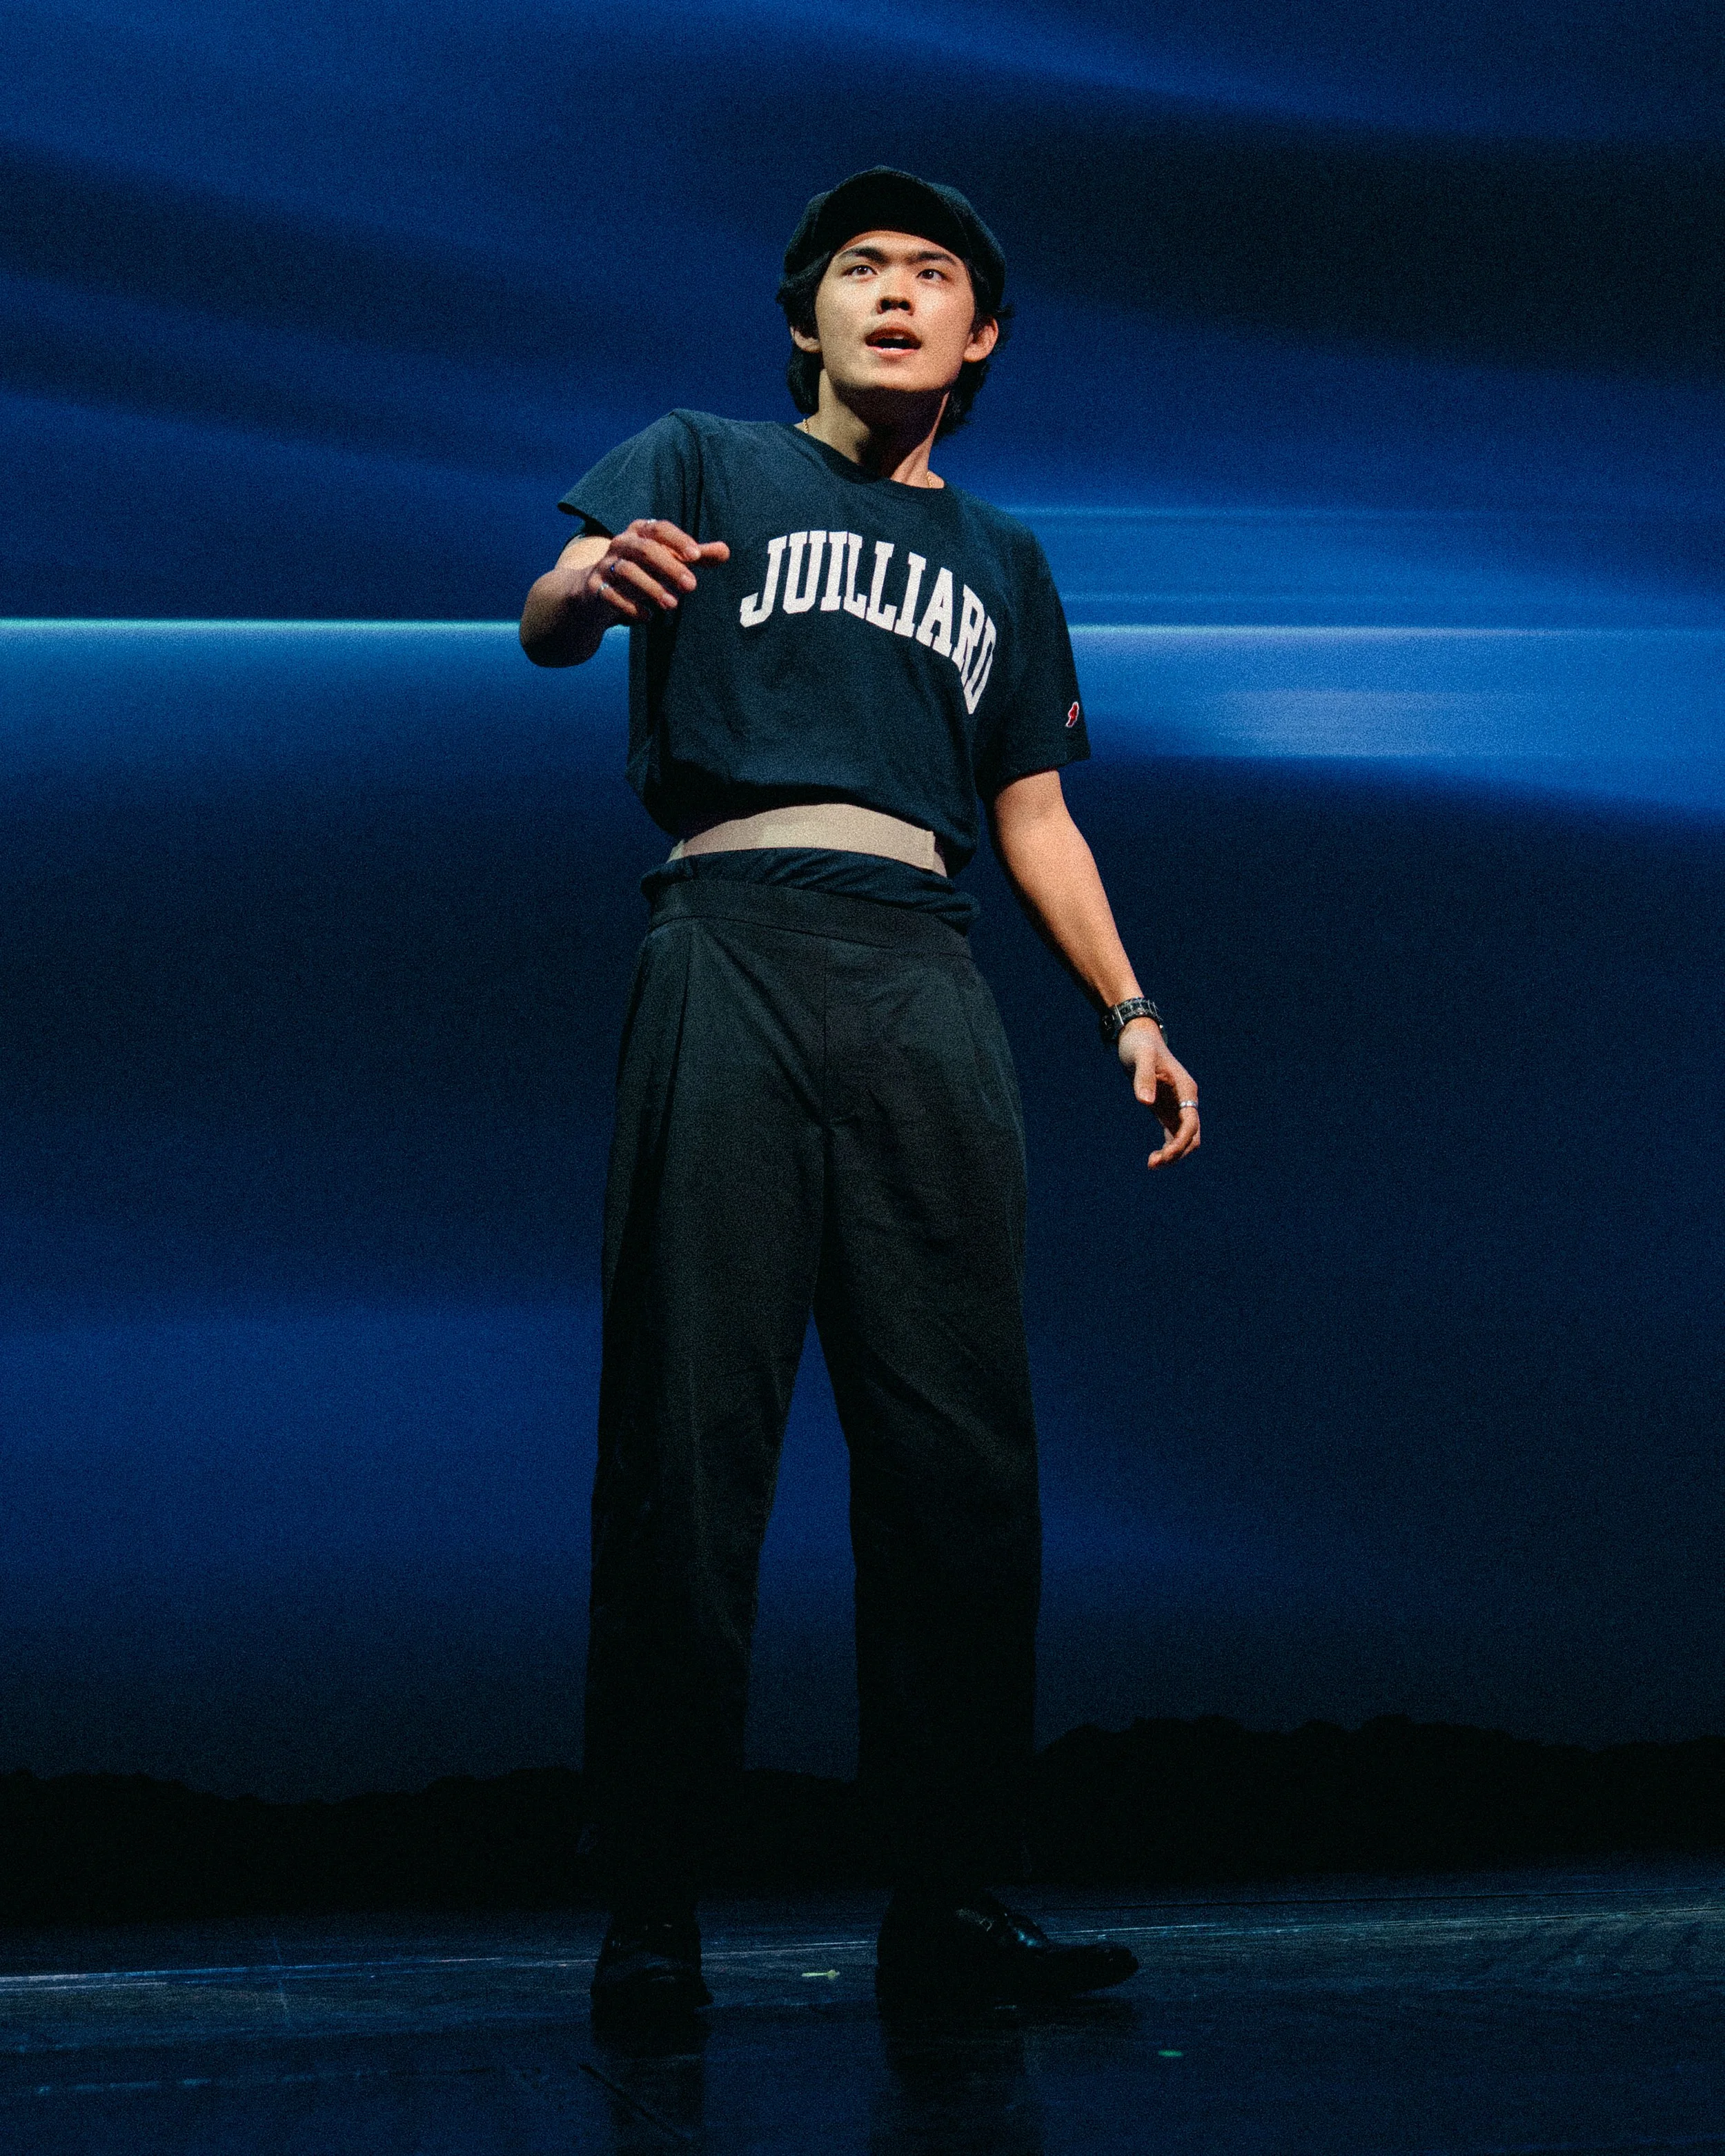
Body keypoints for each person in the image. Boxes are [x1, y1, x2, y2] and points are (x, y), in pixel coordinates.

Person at [520, 168, 1200, 2021]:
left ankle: (953, 1903)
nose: (890, 295)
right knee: (685, 1440)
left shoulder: (1005, 559)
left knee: (957, 1456)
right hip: (728, 936)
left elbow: (1032, 811)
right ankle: (652, 1910)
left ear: (977, 339)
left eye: (931, 278)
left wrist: (1127, 1006)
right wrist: (592, 575)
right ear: (802, 315)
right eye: (856, 272)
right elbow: (550, 613)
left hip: (921, 965)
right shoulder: (703, 461)